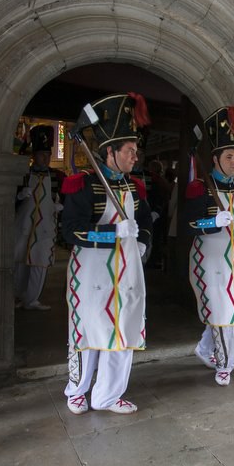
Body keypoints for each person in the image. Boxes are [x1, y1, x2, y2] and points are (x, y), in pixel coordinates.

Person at [61, 93, 152, 415]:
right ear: (110, 151)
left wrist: (144, 242)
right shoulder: (82, 185)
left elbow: (145, 222)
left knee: (123, 329)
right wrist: (112, 233)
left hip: (127, 272)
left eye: (136, 150)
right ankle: (77, 389)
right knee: (88, 330)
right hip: (92, 273)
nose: (134, 156)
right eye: (129, 150)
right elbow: (70, 231)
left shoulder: (134, 187)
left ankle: (108, 395)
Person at [184, 106, 234, 386]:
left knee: (227, 307)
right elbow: (190, 224)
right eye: (228, 157)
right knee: (222, 308)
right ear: (215, 159)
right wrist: (212, 221)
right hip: (210, 259)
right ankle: (225, 364)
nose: (233, 162)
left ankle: (204, 348)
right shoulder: (201, 187)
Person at [14, 125, 66, 310]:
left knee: (40, 261)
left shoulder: (57, 176)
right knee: (20, 260)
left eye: (48, 154)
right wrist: (18, 196)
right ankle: (19, 296)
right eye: (42, 154)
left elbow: (69, 195)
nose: (45, 158)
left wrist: (62, 206)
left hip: (45, 225)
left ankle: (32, 298)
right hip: (24, 223)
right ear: (34, 156)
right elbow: (8, 197)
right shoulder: (23, 174)